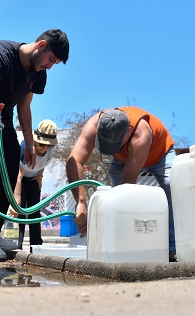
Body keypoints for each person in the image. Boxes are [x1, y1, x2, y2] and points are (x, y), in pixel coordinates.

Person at [0, 29, 69, 261]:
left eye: (54, 64)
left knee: (9, 173)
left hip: (3, 120)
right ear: (40, 45)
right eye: (51, 59)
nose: (49, 66)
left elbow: (24, 108)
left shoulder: (38, 73)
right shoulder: (0, 56)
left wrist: (28, 144)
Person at [65, 106, 177, 261]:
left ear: (128, 132)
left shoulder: (140, 134)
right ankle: (120, 246)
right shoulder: (94, 125)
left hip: (160, 154)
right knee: (117, 209)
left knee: (172, 186)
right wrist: (82, 202)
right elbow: (73, 162)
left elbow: (126, 189)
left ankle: (172, 248)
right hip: (122, 157)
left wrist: (105, 215)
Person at [7, 119, 59, 251]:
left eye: (49, 145)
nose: (45, 148)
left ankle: (36, 246)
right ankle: (18, 244)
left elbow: (44, 163)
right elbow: (19, 175)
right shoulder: (26, 147)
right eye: (42, 145)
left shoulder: (50, 150)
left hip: (33, 179)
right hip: (20, 178)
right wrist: (16, 200)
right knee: (20, 211)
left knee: (35, 213)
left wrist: (40, 177)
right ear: (35, 140)